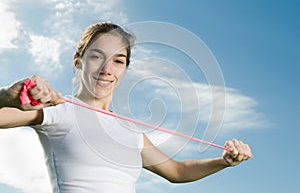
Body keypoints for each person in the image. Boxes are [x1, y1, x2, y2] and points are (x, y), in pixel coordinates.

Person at [0, 22, 253, 193]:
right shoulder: (59, 109)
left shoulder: (130, 132)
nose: (106, 69)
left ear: (125, 69)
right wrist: (8, 95)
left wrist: (223, 161)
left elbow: (177, 171)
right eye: (97, 56)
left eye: (118, 61)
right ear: (78, 61)